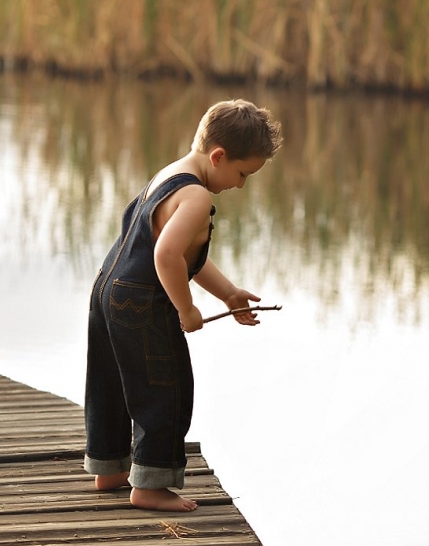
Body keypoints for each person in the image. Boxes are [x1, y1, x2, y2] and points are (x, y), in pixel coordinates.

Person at [83, 98, 283, 512]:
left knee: (113, 383)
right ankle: (151, 484)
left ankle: (110, 467)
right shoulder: (194, 198)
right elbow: (167, 257)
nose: (241, 185)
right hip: (142, 302)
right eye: (242, 173)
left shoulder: (170, 174)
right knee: (165, 387)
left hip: (107, 292)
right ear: (219, 156)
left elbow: (185, 252)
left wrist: (228, 293)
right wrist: (185, 308)